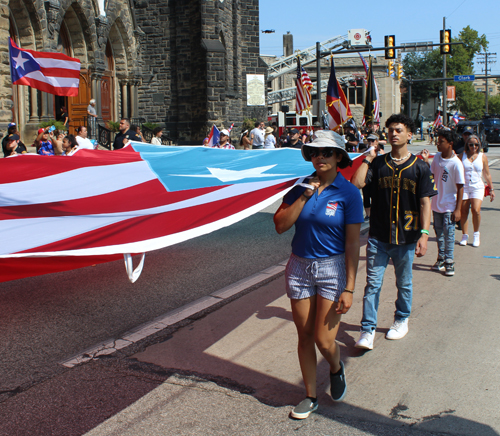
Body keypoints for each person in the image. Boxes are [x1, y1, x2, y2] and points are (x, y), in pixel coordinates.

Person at [274, 131, 363, 419]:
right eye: (314, 153)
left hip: (331, 268)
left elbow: (352, 243)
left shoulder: (349, 193)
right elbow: (280, 225)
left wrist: (349, 288)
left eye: (326, 152)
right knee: (305, 335)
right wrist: (303, 196)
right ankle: (310, 396)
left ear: (339, 157)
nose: (319, 158)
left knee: (325, 341)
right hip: (299, 267)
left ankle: (336, 368)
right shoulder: (300, 187)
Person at [351, 114, 436, 350]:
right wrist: (368, 158)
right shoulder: (378, 164)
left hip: (407, 237)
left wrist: (424, 234)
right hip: (378, 236)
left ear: (410, 134)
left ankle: (401, 319)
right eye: (389, 130)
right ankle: (367, 330)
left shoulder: (419, 167)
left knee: (404, 283)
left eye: (398, 130)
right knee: (372, 284)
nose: (393, 134)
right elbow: (356, 183)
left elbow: (425, 203)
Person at [421, 129, 464, 276]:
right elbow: (431, 175)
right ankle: (441, 258)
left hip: (449, 205)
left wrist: (458, 209)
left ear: (450, 144)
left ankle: (449, 261)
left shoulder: (456, 163)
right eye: (437, 141)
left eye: (441, 142)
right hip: (436, 204)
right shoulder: (438, 157)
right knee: (439, 232)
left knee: (449, 233)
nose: (438, 144)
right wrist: (426, 161)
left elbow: (460, 187)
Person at [458, 134, 495, 247]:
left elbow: (487, 174)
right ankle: (464, 235)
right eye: (471, 144)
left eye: (476, 144)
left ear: (479, 145)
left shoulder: (482, 156)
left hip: (477, 186)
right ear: (467, 145)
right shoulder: (462, 156)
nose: (473, 147)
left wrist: (491, 189)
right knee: (464, 211)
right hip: (464, 187)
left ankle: (476, 234)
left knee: (476, 210)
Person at [359, 133, 384, 221]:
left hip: (376, 175)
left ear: (376, 141)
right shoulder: (365, 150)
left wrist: (377, 152)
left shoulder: (380, 150)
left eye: (372, 141)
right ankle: (368, 214)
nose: (370, 142)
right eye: (369, 140)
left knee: (376, 195)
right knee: (366, 195)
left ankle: (375, 213)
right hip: (366, 174)